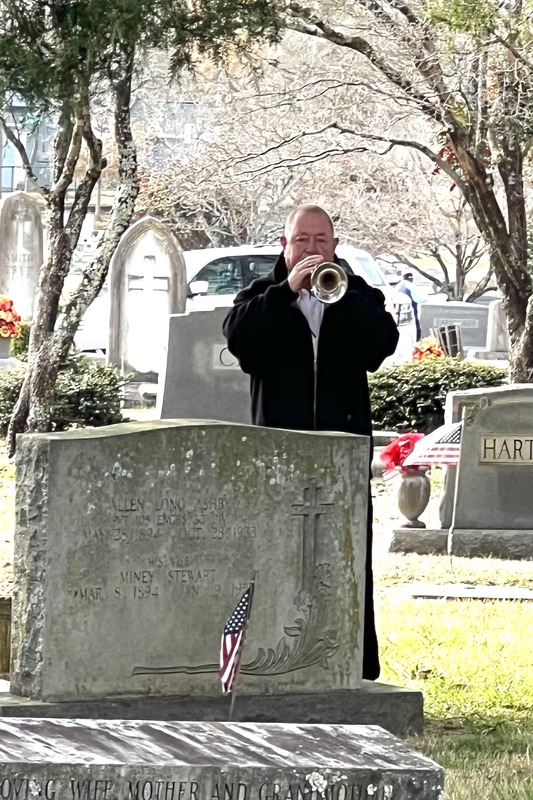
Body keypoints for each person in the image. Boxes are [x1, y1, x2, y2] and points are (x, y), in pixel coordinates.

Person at [222, 204, 399, 680]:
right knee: (275, 556)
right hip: (279, 452)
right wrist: (287, 293)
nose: (312, 249)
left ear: (336, 246)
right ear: (284, 245)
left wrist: (344, 298)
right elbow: (240, 340)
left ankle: (354, 664)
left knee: (347, 557)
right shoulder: (261, 295)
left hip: (342, 452)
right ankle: (270, 662)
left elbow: (383, 345)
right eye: (303, 240)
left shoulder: (357, 293)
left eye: (322, 240)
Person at [396, 271, 426, 340]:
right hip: (411, 309)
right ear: (411, 279)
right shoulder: (410, 286)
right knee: (415, 325)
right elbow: (420, 299)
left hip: (399, 312)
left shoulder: (398, 285)